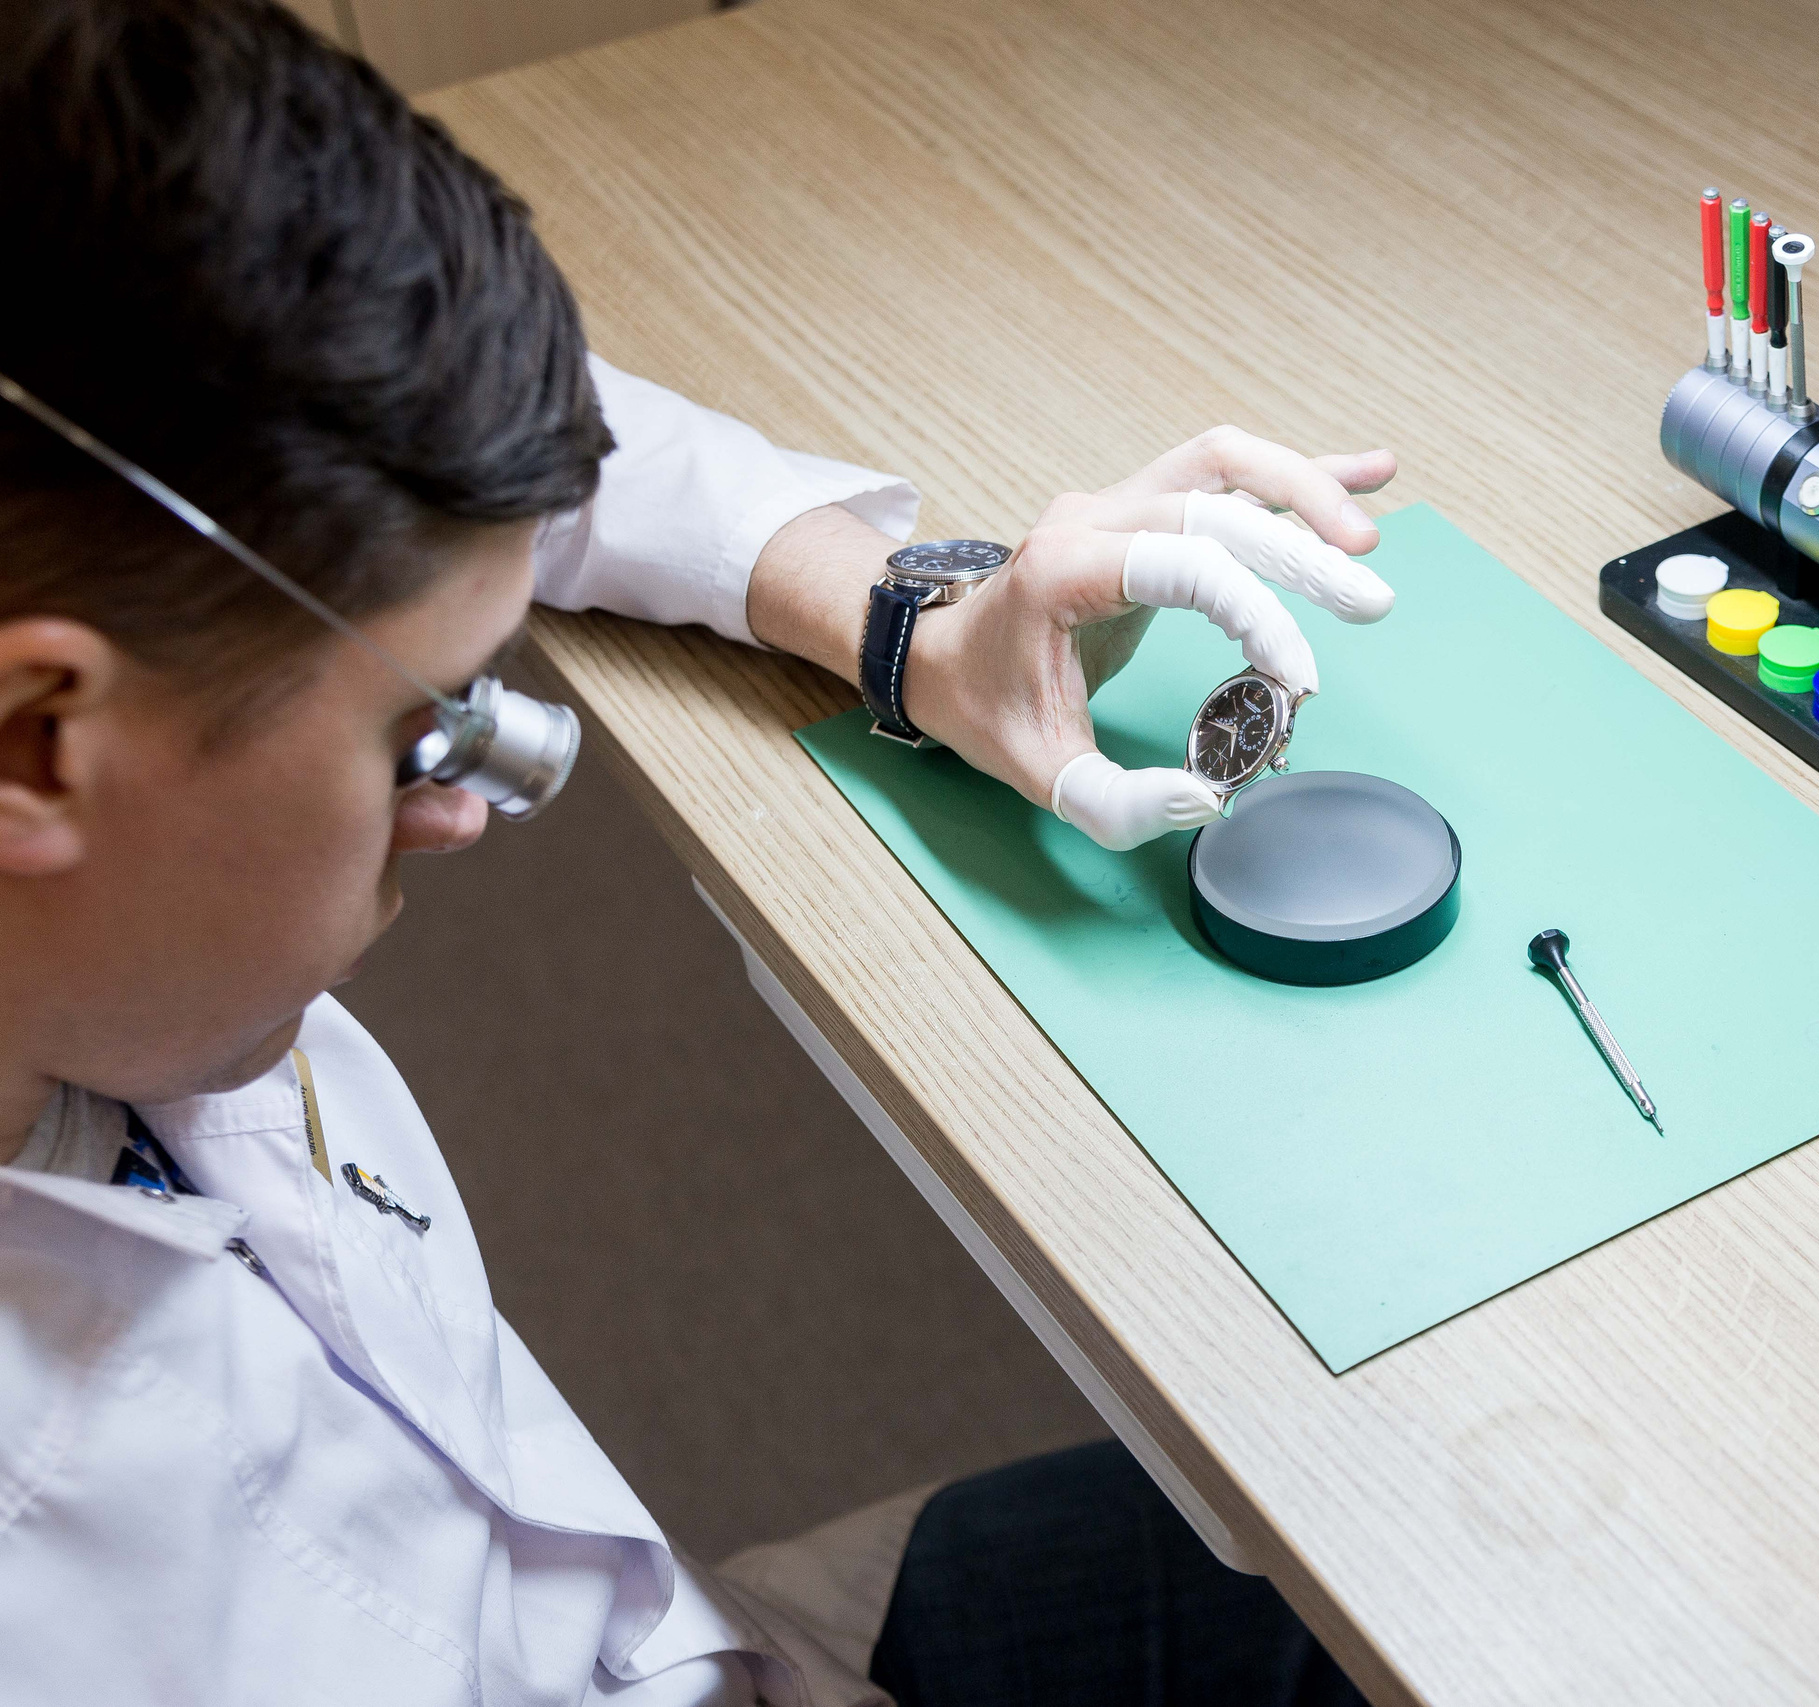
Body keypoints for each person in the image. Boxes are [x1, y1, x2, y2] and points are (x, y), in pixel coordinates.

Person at [0, 2, 1384, 1702]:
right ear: (39, 743)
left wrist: (910, 628)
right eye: (420, 731)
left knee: (1374, 1562)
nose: (468, 811)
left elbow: (435, 442)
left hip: (677, 1630)